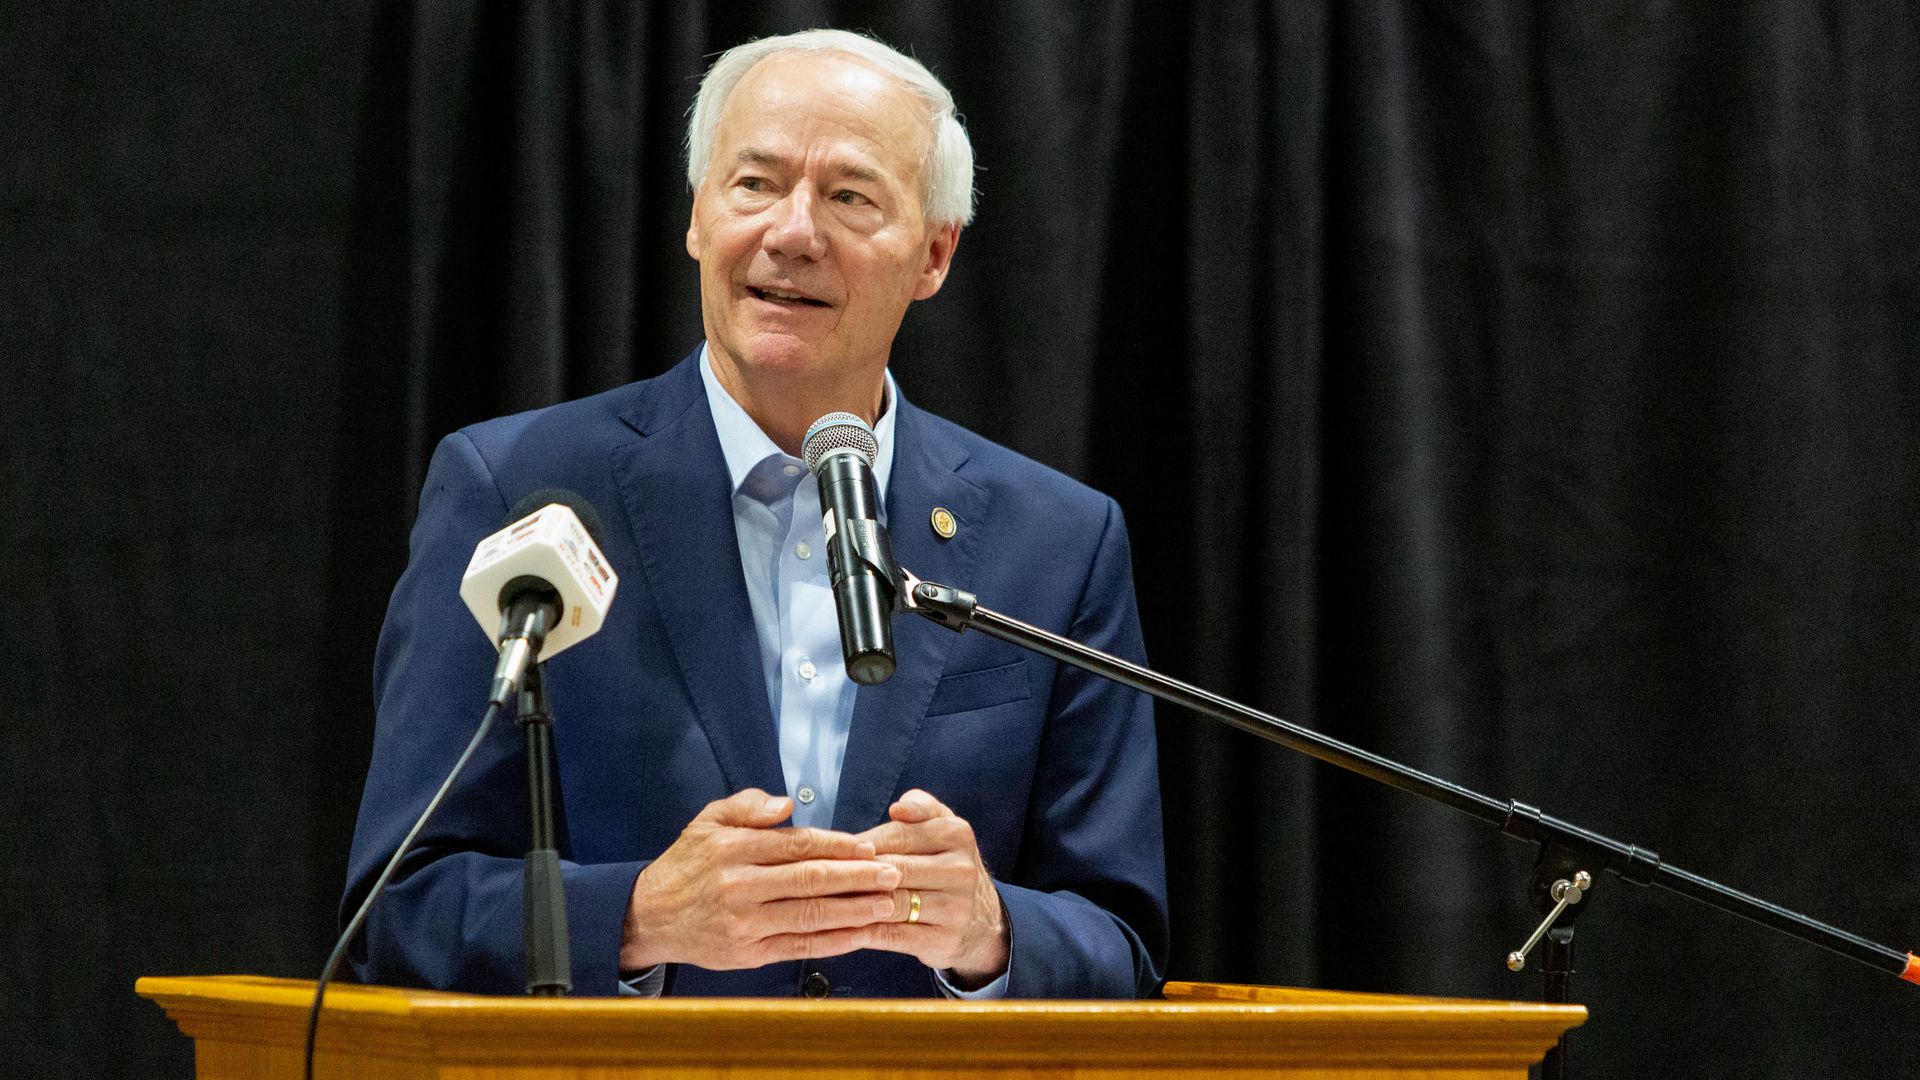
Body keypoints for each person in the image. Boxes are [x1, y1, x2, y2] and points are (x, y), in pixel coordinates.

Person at [344, 28, 1166, 999]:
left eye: (851, 196)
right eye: (754, 185)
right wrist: (642, 915)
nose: (793, 231)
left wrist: (988, 930)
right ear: (697, 216)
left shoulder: (1057, 541)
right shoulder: (516, 486)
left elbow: (1121, 940)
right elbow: (398, 909)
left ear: (936, 253)